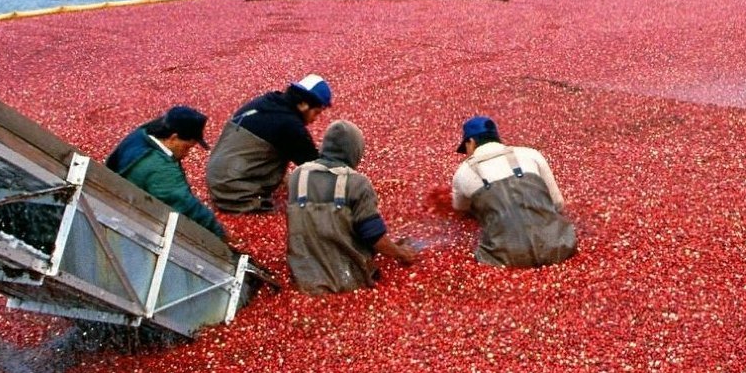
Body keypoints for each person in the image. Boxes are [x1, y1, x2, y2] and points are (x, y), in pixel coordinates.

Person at [285, 120, 418, 293]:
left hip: (302, 276)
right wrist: (400, 253)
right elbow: (374, 237)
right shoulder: (357, 183)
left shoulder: (298, 175)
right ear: (355, 151)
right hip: (345, 278)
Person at [450, 115, 576, 268]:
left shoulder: (462, 173)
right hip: (558, 246)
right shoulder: (531, 154)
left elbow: (460, 207)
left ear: (471, 142)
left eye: (466, 148)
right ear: (496, 138)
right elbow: (558, 203)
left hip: (502, 257)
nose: (467, 154)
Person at [206, 74, 331, 213]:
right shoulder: (290, 125)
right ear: (303, 105)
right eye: (316, 112)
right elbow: (314, 164)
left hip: (216, 177)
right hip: (235, 195)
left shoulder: (267, 101)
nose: (315, 119)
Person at [104, 105, 228, 240]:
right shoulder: (158, 166)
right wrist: (219, 234)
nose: (186, 154)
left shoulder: (143, 135)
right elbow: (184, 204)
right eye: (187, 147)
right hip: (130, 222)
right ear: (173, 137)